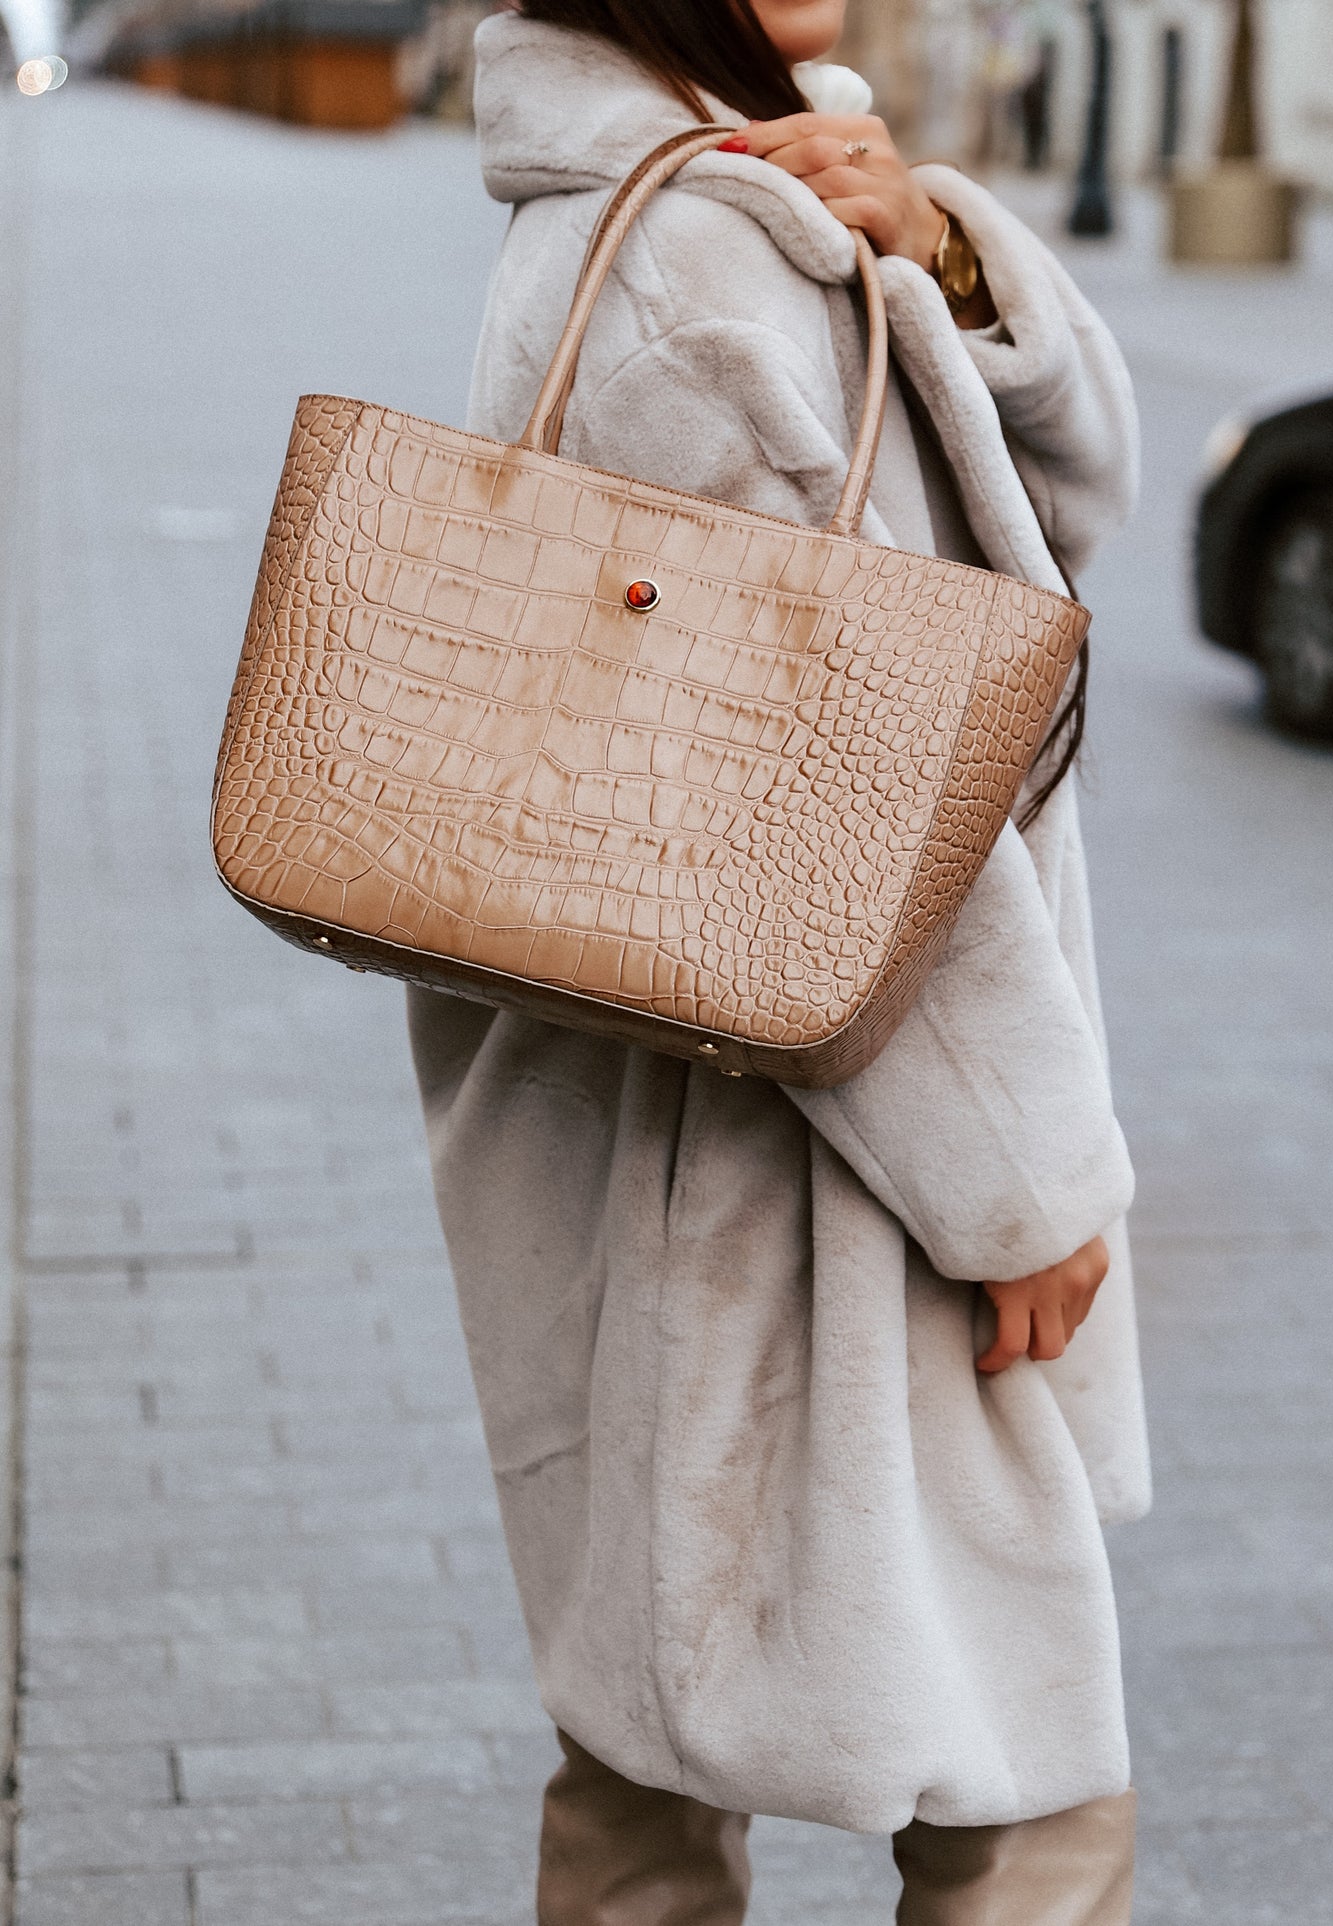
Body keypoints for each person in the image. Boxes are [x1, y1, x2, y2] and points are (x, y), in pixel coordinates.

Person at [408, 0, 1151, 1918]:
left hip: (773, 1127)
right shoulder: (688, 257)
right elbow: (818, 796)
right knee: (1025, 1804)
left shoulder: (754, 190)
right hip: (805, 1160)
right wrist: (1024, 1189)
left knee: (657, 1763)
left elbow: (1056, 520)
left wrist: (944, 251)